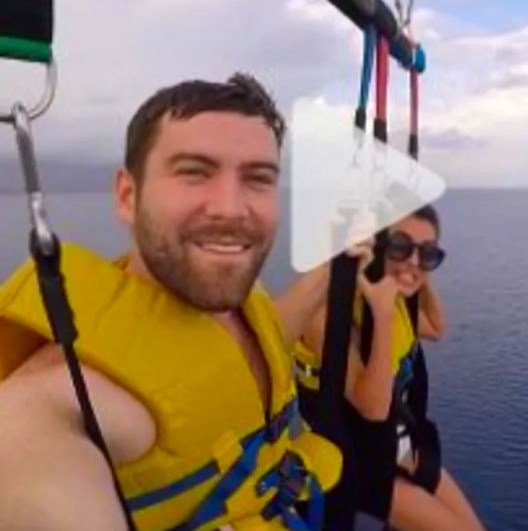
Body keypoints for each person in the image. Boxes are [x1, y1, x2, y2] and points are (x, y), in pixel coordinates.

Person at [0, 74, 341, 531]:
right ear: (127, 196)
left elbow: (269, 334)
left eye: (258, 179)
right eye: (194, 173)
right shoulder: (52, 411)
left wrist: (343, 256)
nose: (230, 208)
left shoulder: (242, 307)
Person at [293, 206, 486, 531]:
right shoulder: (328, 312)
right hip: (353, 455)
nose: (413, 259)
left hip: (395, 443)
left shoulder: (394, 299)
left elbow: (437, 327)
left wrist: (417, 275)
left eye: (427, 253)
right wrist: (381, 313)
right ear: (373, 245)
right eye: (400, 246)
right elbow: (371, 408)